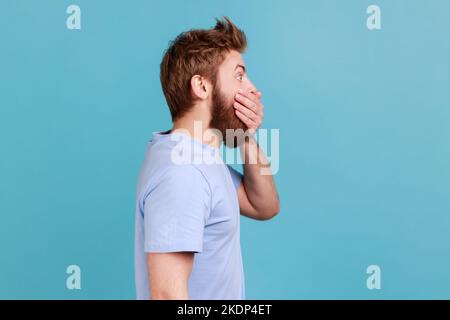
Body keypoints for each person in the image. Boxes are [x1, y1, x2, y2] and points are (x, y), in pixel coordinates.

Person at [134, 16, 280, 300]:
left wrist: (245, 136)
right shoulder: (183, 172)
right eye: (239, 75)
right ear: (201, 87)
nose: (253, 89)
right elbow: (166, 296)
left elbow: (263, 206)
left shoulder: (198, 158)